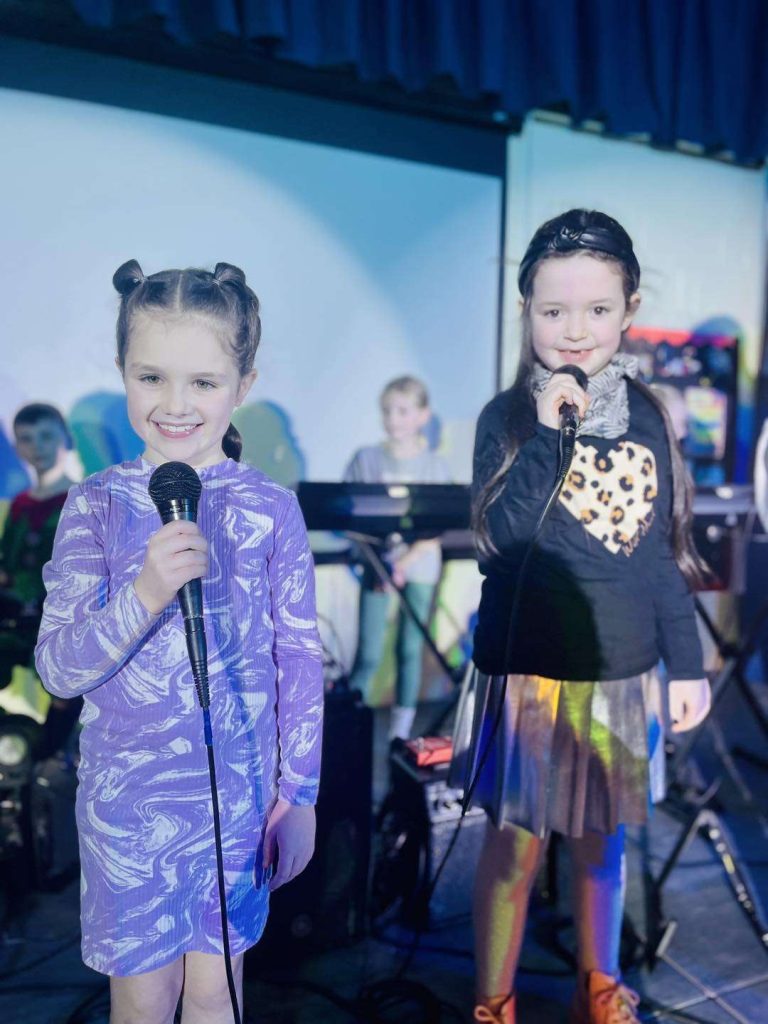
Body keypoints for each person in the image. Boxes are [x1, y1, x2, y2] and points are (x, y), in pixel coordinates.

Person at [35, 260, 324, 1024]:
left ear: (242, 384)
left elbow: (298, 660)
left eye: (203, 381)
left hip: (239, 799)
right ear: (122, 372)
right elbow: (58, 668)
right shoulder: (96, 504)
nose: (175, 404)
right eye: (151, 377)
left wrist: (298, 794)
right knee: (143, 1004)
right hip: (129, 809)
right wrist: (144, 594)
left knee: (215, 995)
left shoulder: (270, 508)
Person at [451, 210, 711, 1024]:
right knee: (515, 851)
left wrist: (688, 662)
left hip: (621, 674)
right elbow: (500, 543)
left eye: (597, 309)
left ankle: (600, 990)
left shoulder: (649, 417)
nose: (574, 331)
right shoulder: (506, 418)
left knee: (604, 846)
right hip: (527, 674)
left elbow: (662, 550)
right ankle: (493, 1002)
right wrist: (546, 438)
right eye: (553, 310)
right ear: (525, 311)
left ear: (629, 309)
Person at [344, 376, 451, 740]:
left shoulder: (435, 466)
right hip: (377, 566)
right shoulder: (366, 459)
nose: (393, 419)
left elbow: (438, 526)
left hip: (420, 567)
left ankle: (401, 734)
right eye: (387, 411)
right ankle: (349, 728)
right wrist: (384, 564)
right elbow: (348, 515)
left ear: (422, 415)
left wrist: (403, 565)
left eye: (403, 411)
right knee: (369, 652)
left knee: (410, 649)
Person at [0, 403, 81, 753]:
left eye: (47, 436)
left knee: (65, 688)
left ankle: (49, 758)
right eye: (27, 439)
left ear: (66, 439)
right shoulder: (20, 504)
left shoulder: (82, 499)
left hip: (59, 621)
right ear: (18, 447)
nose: (38, 447)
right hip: (14, 618)